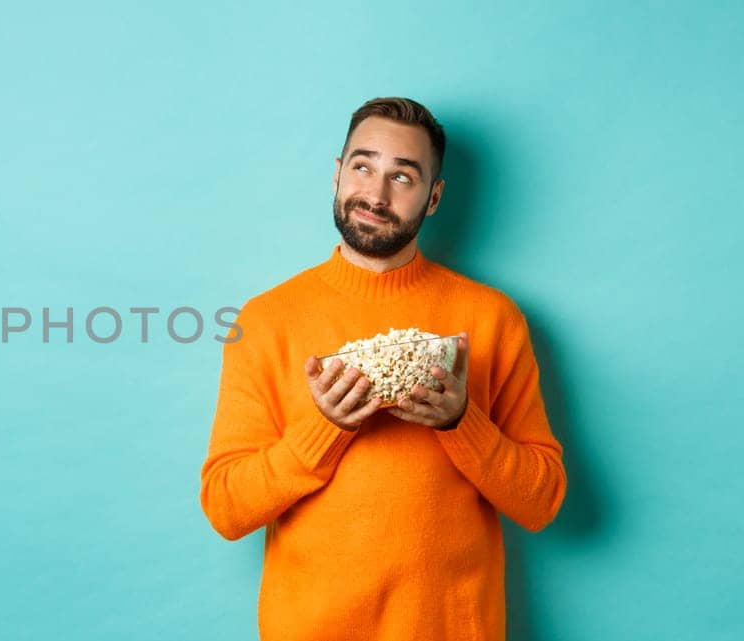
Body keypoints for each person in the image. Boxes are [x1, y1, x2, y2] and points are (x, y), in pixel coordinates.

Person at [198, 97, 567, 641]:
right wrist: (326, 427)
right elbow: (227, 509)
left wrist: (460, 422)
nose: (375, 194)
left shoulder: (490, 319)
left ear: (434, 197)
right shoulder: (266, 320)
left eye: (404, 177)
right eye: (363, 166)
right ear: (337, 174)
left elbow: (541, 504)